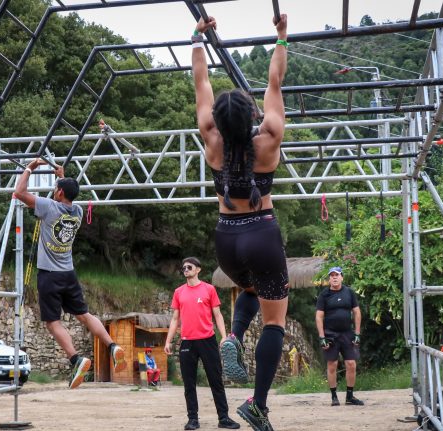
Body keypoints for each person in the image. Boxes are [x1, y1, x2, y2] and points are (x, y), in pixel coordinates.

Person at [192, 13, 290, 431]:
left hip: (225, 242)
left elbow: (200, 82)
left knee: (248, 287)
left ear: (219, 119)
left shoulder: (210, 139)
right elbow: (274, 83)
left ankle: (233, 336)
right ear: (250, 117)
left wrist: (196, 36)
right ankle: (258, 404)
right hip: (262, 233)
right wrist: (281, 37)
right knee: (275, 322)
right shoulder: (268, 138)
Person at [14, 158, 126, 389]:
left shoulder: (48, 207)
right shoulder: (77, 210)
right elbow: (64, 193)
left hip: (49, 274)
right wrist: (61, 176)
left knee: (52, 322)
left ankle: (76, 358)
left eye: (57, 188)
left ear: (60, 191)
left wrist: (29, 168)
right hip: (68, 273)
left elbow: (19, 192)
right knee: (84, 314)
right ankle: (112, 345)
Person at [164, 257, 240, 430]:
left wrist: (224, 336)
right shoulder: (179, 292)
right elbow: (175, 319)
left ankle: (224, 418)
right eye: (183, 267)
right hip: (187, 343)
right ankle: (193, 419)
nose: (185, 269)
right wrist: (168, 341)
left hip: (208, 341)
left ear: (198, 269)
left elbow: (218, 315)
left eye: (189, 267)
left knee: (216, 380)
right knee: (189, 384)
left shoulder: (209, 289)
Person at [315, 266, 363, 406]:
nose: (334, 277)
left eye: (337, 275)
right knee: (332, 364)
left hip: (347, 333)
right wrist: (322, 336)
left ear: (342, 277)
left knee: (351, 364)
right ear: (329, 279)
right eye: (332, 275)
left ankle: (349, 396)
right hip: (330, 334)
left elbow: (357, 312)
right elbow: (319, 316)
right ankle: (334, 397)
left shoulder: (349, 292)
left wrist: (357, 333)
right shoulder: (324, 295)